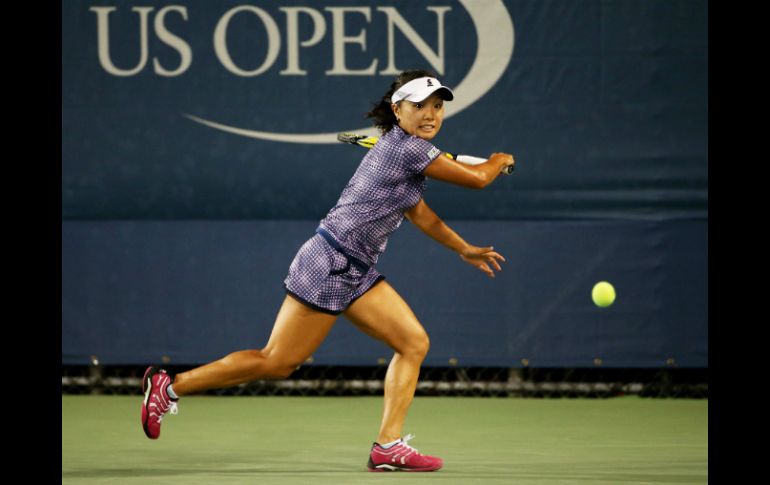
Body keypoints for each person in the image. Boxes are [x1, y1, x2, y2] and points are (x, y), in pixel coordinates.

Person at [141, 69, 515, 472]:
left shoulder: (406, 151)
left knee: (413, 343)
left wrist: (464, 248)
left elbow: (421, 214)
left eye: (437, 106)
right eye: (420, 105)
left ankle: (388, 447)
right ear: (397, 110)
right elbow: (478, 179)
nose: (430, 114)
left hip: (357, 268)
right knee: (277, 362)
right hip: (329, 263)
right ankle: (169, 387)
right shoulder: (408, 150)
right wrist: (497, 161)